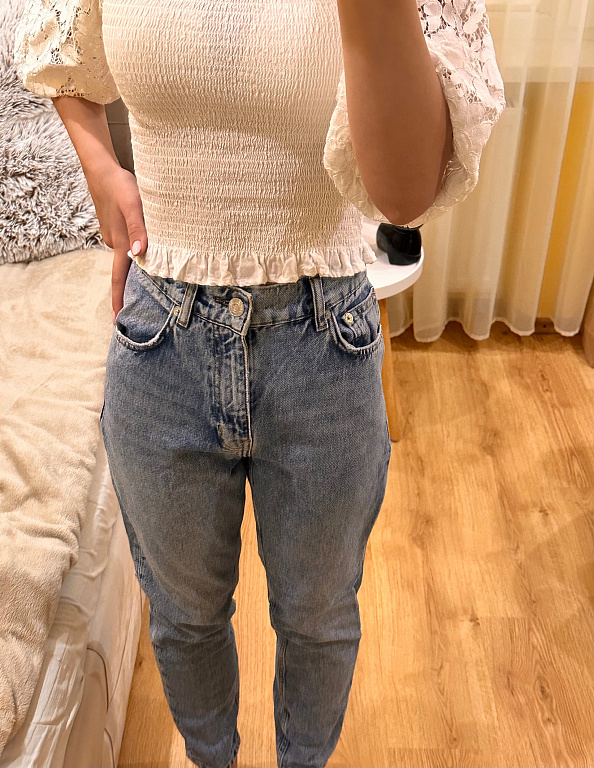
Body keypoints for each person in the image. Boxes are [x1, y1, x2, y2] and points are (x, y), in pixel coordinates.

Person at [14, 1, 505, 766]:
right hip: (159, 337)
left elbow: (404, 194)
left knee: (317, 619)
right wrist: (101, 169)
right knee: (183, 618)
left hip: (323, 342)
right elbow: (59, 49)